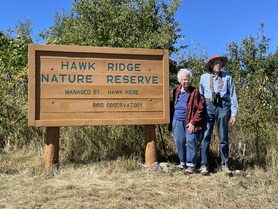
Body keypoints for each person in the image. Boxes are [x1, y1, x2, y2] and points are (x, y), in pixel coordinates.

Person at [199, 54, 238, 175]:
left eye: (220, 63)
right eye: (216, 63)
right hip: (208, 106)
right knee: (206, 136)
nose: (218, 65)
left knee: (223, 137)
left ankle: (224, 165)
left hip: (223, 107)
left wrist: (234, 114)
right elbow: (200, 95)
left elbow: (233, 95)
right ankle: (204, 165)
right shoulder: (203, 77)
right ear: (211, 65)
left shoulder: (227, 77)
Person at [171, 68, 203, 174]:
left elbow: (200, 109)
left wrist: (193, 122)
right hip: (177, 120)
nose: (187, 82)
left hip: (190, 121)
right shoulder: (176, 91)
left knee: (191, 142)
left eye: (188, 79)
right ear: (180, 80)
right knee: (179, 141)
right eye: (185, 79)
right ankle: (182, 162)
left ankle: (191, 165)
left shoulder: (194, 92)